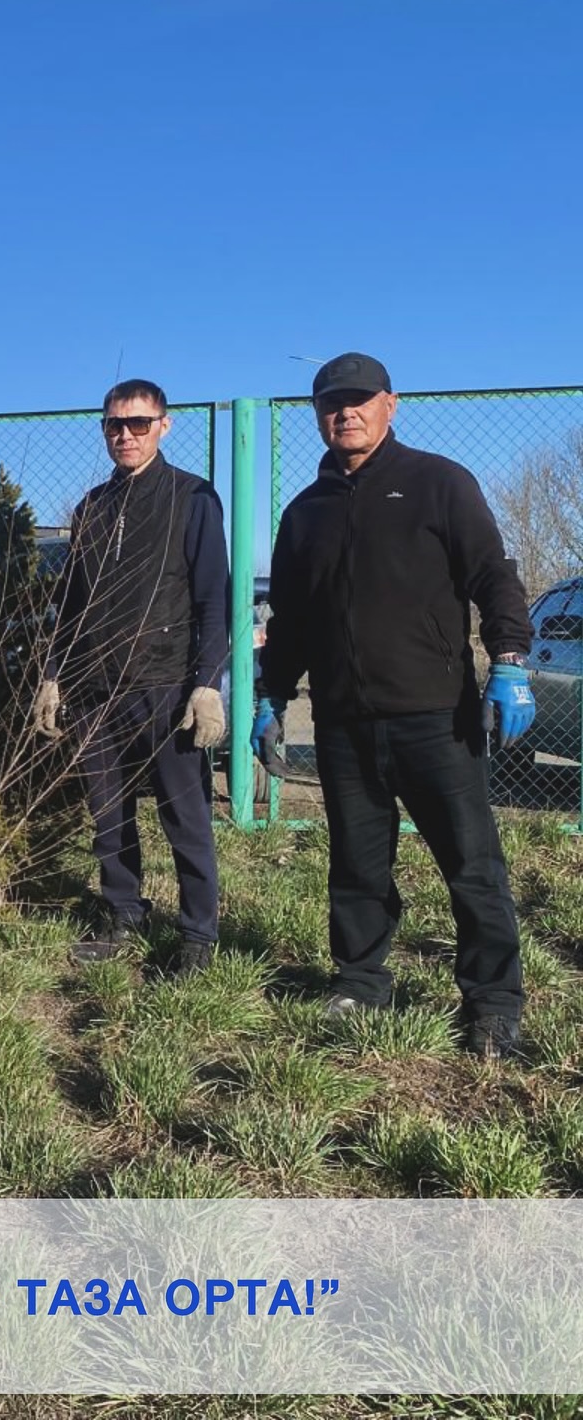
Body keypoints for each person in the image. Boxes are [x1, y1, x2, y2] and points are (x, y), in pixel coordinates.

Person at [254, 352, 535, 1058]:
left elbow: (493, 576)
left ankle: (494, 1003)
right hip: (343, 721)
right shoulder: (304, 513)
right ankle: (360, 981)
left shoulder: (439, 482)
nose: (344, 412)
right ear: (317, 414)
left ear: (390, 404)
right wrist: (271, 695)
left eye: (359, 399)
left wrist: (509, 661)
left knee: (471, 864)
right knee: (356, 864)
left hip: (436, 716)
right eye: (331, 402)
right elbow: (291, 619)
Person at [35, 379, 229, 972]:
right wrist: (53, 675)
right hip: (96, 687)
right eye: (114, 424)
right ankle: (124, 913)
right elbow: (71, 604)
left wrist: (206, 683)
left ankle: (198, 935)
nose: (126, 434)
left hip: (166, 684)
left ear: (163, 426)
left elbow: (213, 600)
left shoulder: (192, 497)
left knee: (185, 815)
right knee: (108, 812)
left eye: (139, 423)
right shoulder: (92, 507)